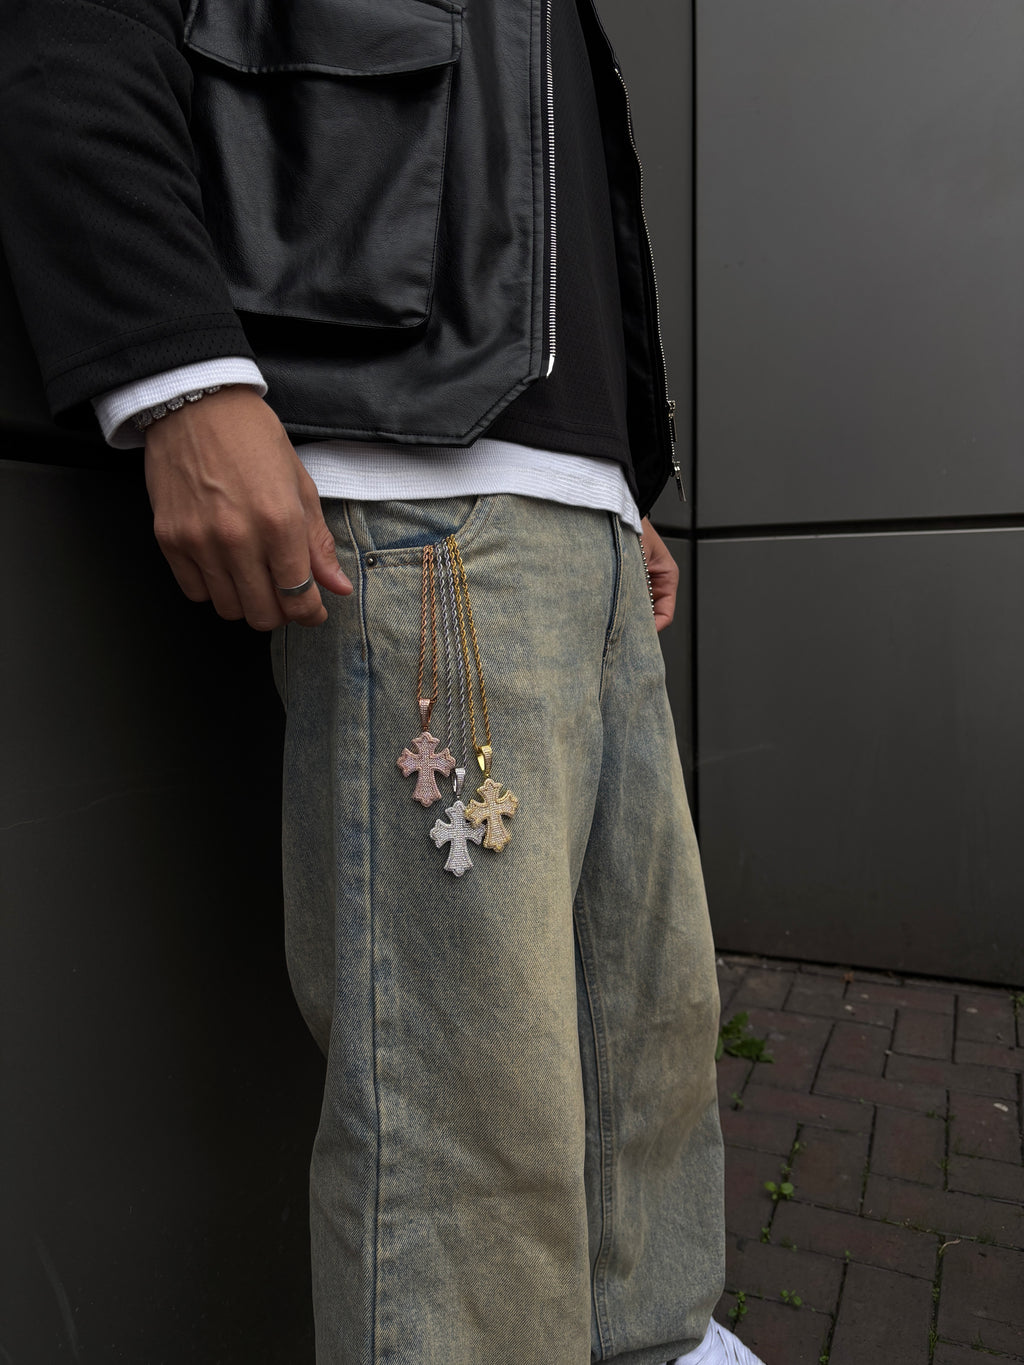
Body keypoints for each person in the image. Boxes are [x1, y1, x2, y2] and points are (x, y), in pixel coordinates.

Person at [0, 0, 765, 1361]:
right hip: (414, 485)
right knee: (473, 1100)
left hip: (561, 502)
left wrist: (612, 472)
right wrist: (177, 368)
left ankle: (656, 1344)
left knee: (647, 1036)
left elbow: (538, 187)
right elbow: (69, 26)